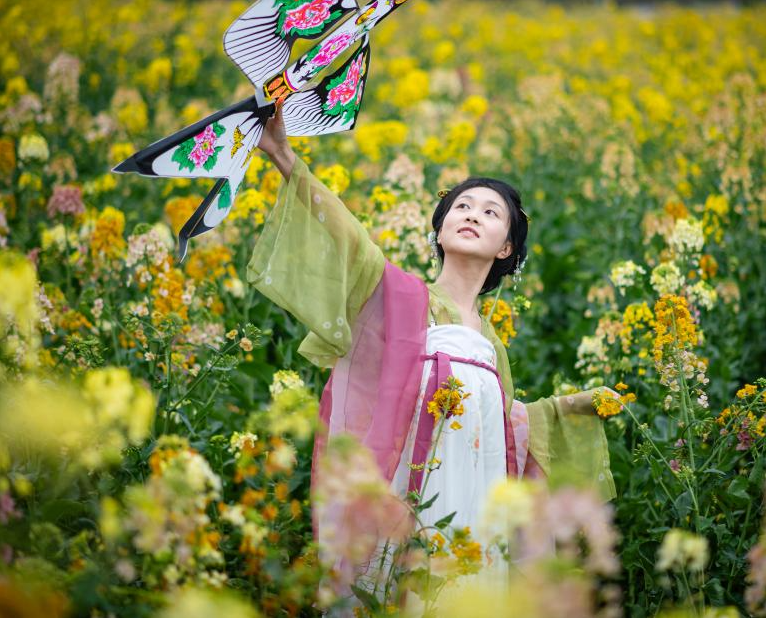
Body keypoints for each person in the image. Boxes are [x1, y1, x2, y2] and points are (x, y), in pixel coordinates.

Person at [246, 100, 617, 599]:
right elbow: (347, 239)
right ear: (438, 231)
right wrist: (284, 156)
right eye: (461, 207)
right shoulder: (401, 299)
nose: (472, 214)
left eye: (490, 212)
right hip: (401, 497)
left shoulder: (492, 345)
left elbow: (507, 427)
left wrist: (568, 407)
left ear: (506, 248)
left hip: (471, 509)